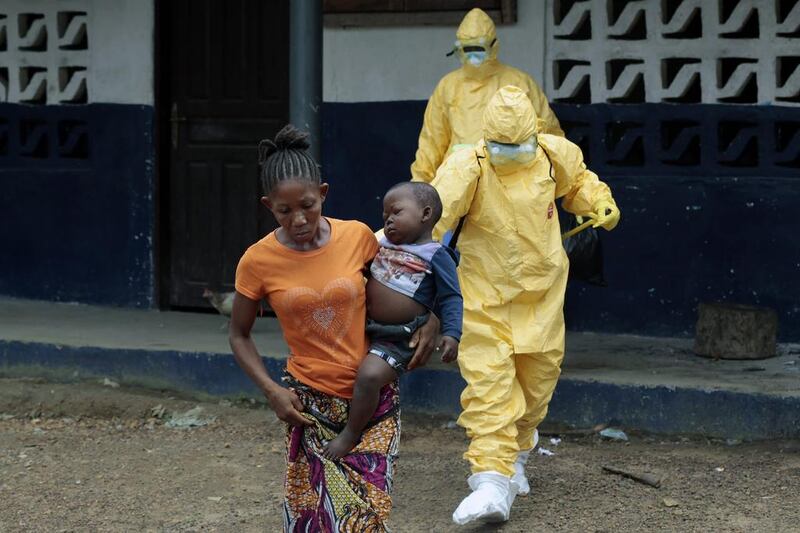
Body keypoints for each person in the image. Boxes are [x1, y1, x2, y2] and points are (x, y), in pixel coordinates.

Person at [228, 125, 441, 532]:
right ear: (267, 206)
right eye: (284, 211)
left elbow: (413, 279)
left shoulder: (358, 237)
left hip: (373, 396)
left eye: (308, 205)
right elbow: (239, 334)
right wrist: (272, 391)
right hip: (308, 404)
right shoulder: (257, 262)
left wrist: (431, 319)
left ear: (323, 193)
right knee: (315, 516)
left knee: (367, 513)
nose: (299, 219)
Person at [428, 86, 621, 525]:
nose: (509, 153)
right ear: (486, 138)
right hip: (482, 296)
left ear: (535, 134)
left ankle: (515, 457)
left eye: (518, 146)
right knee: (489, 385)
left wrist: (599, 203)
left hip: (542, 296)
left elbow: (580, 183)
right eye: (500, 146)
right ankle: (491, 480)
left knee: (537, 383)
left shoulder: (555, 155)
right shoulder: (467, 167)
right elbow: (432, 214)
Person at [323, 182, 464, 460]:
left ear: (425, 214)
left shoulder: (437, 255)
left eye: (396, 212)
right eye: (385, 214)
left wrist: (451, 334)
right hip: (365, 327)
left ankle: (351, 433)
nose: (388, 219)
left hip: (399, 336)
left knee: (370, 376)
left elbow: (451, 297)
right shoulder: (379, 244)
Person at [411, 7, 564, 184]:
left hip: (509, 179)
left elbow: (549, 134)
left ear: (494, 46)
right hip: (458, 178)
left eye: (479, 48)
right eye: (467, 49)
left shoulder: (519, 82)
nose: (473, 56)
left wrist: (555, 175)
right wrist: (419, 185)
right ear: (458, 49)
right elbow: (432, 140)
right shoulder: (448, 86)